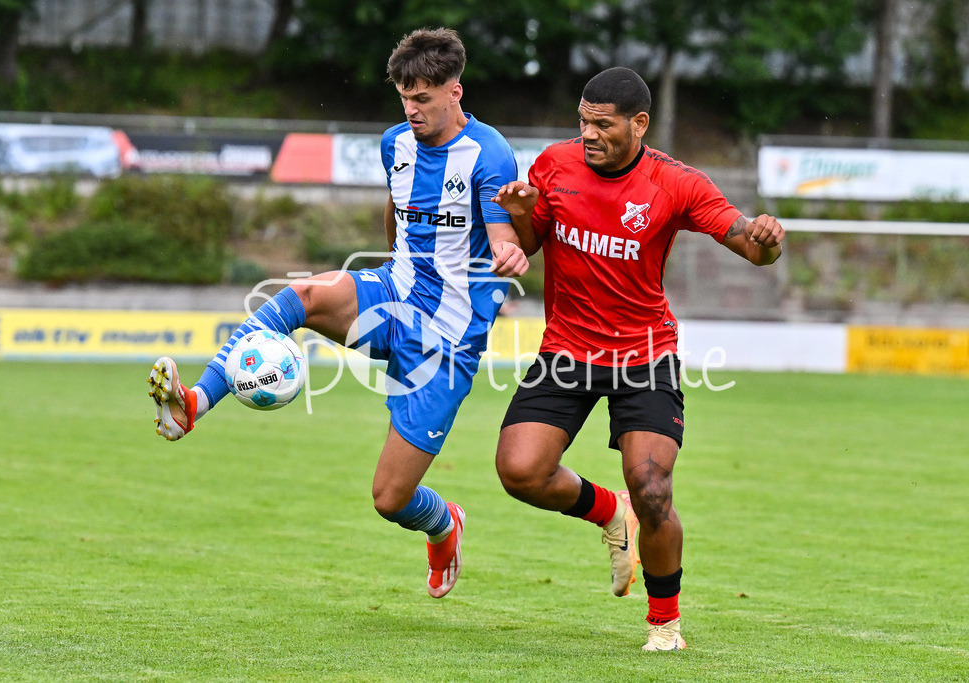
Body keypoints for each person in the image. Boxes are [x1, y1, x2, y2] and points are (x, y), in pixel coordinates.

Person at [148, 27, 528, 599]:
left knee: (390, 499)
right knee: (301, 296)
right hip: (394, 293)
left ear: (456, 91)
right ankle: (196, 402)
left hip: (447, 339)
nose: (412, 110)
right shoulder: (394, 143)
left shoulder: (490, 152)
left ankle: (444, 523)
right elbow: (396, 209)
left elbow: (502, 235)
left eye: (423, 98)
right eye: (404, 97)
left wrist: (507, 252)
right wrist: (391, 262)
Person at [491, 67, 784, 651]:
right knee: (520, 472)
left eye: (603, 124)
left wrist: (767, 239)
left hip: (644, 354)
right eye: (583, 121)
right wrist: (521, 212)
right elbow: (529, 242)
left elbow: (752, 249)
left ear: (639, 124)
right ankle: (609, 512)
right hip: (566, 349)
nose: (588, 134)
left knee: (652, 487)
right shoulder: (554, 164)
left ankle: (664, 625)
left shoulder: (675, 183)